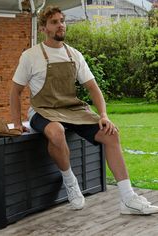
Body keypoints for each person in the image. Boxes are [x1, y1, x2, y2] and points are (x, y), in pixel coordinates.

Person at [10, 5, 158, 215]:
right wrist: (16, 124)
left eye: (62, 20)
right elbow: (14, 92)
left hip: (72, 109)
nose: (61, 25)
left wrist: (104, 116)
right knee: (56, 132)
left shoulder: (74, 55)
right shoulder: (30, 56)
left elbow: (93, 89)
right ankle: (70, 181)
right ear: (43, 28)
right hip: (43, 110)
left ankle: (128, 198)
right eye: (54, 22)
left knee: (111, 134)